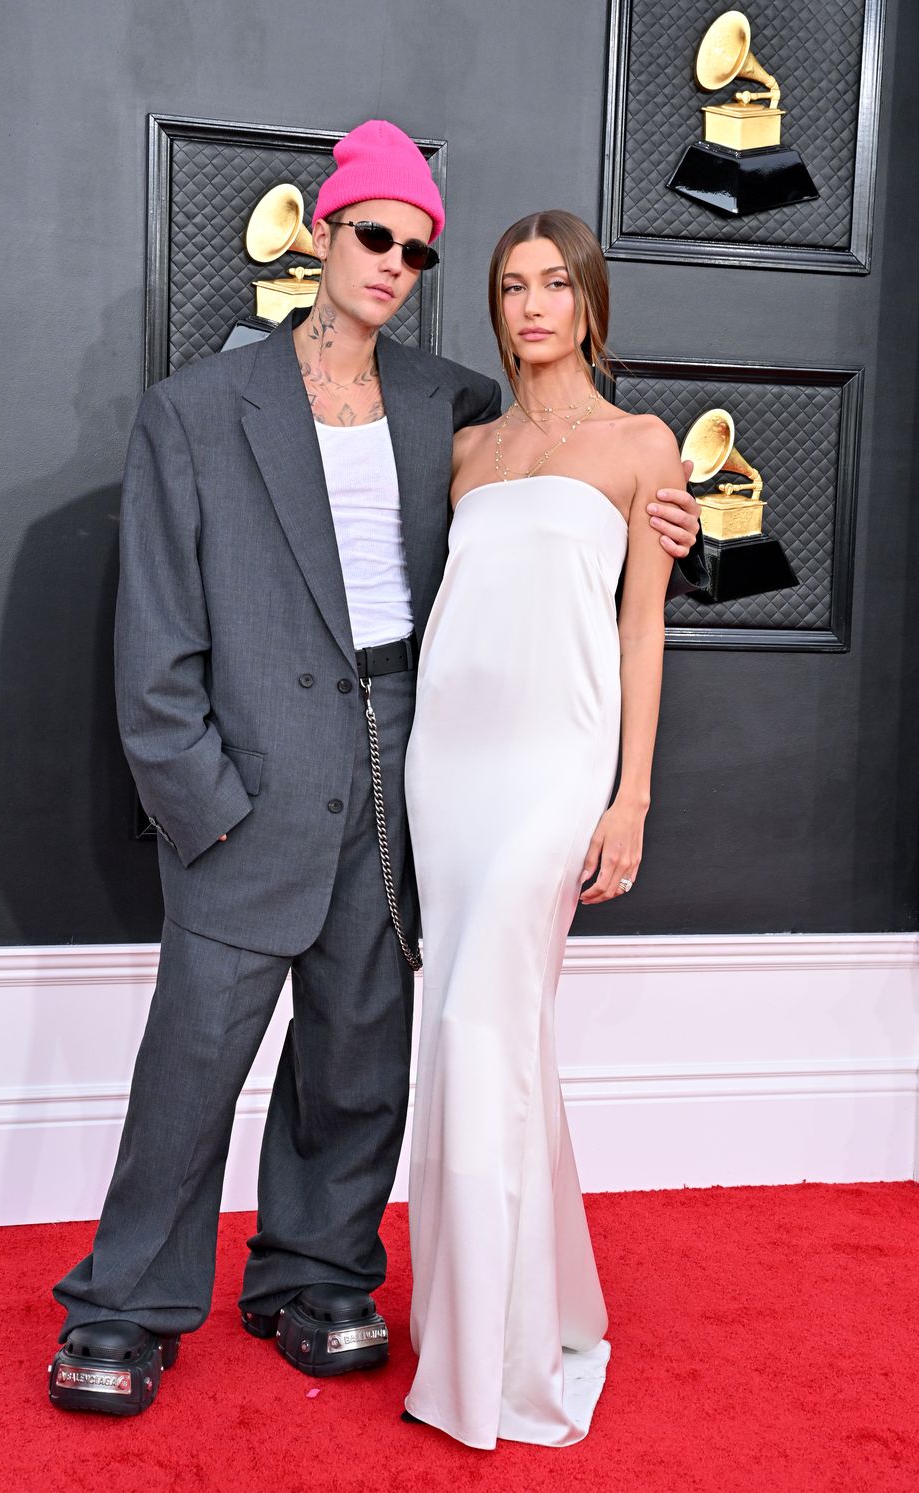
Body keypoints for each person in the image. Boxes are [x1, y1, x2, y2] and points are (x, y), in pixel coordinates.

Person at [47, 124, 702, 1416]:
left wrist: (671, 520)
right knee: (194, 1061)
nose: (394, 262)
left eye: (418, 247)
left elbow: (579, 494)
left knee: (358, 1056)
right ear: (323, 237)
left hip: (407, 772)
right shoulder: (194, 411)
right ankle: (125, 1304)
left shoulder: (444, 401)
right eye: (373, 235)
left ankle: (316, 1271)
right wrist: (197, 801)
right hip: (245, 785)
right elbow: (156, 635)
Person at [403, 210, 681, 1449]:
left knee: (479, 1023)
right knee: (482, 1029)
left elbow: (640, 630)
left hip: (559, 760)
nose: (530, 306)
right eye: (511, 286)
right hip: (445, 764)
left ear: (588, 300)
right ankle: (536, 1304)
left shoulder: (640, 443)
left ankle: (493, 1364)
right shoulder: (466, 448)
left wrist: (628, 793)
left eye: (553, 284)